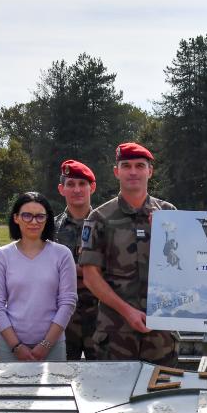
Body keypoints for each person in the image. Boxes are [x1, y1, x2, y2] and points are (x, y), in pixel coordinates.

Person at [80, 143, 178, 364]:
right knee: (112, 397)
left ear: (150, 171)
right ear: (117, 171)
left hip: (160, 333)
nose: (133, 171)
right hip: (116, 334)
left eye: (140, 166)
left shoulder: (169, 214)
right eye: (126, 166)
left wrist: (165, 234)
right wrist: (127, 311)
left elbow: (184, 267)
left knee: (164, 397)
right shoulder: (100, 218)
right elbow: (91, 276)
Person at [0, 192, 77, 361]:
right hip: (10, 347)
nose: (34, 222)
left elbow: (67, 302)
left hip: (53, 347)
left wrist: (46, 345)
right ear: (16, 218)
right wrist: (16, 346)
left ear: (47, 219)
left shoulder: (62, 254)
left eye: (40, 216)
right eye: (27, 215)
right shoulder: (1, 256)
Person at [54, 159, 99, 359]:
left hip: (100, 317)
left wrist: (70, 268)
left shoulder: (106, 225)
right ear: (61, 189)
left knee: (103, 381)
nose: (77, 189)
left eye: (82, 184)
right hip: (62, 320)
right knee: (61, 381)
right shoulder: (49, 228)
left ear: (93, 187)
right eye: (70, 184)